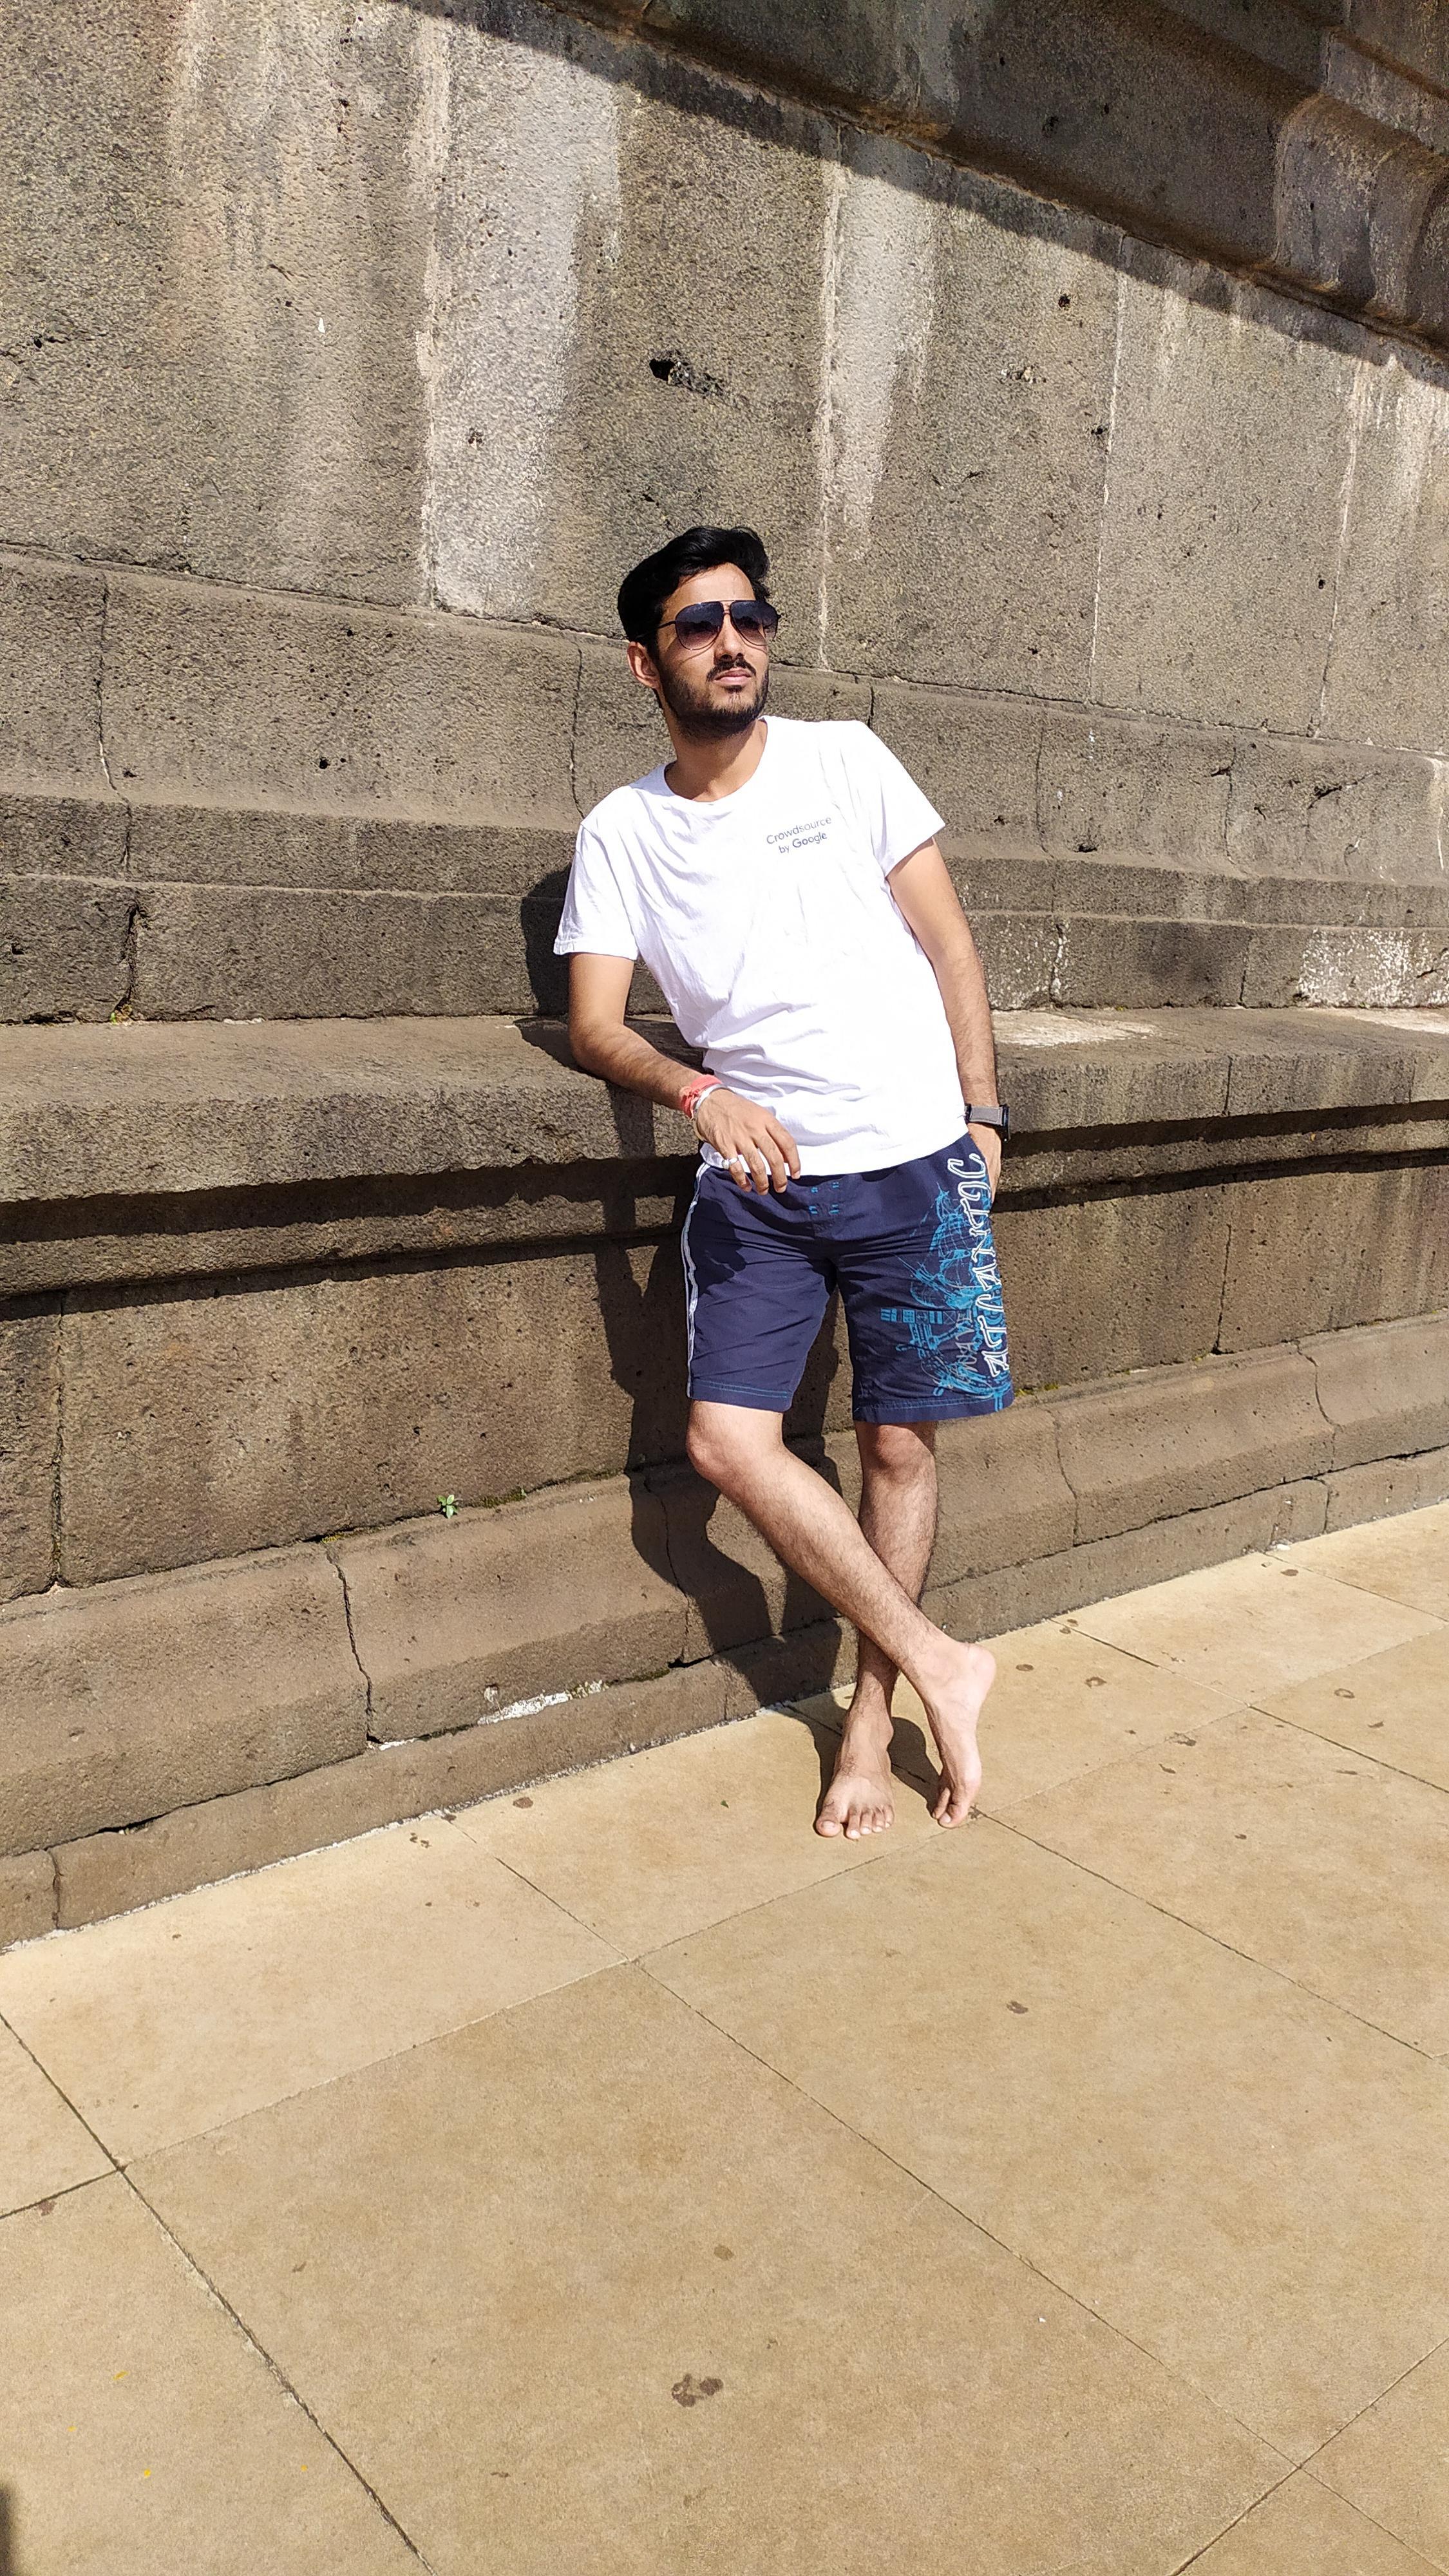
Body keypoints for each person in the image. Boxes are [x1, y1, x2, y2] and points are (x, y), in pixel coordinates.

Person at [556, 525, 1012, 1840]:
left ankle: (871, 1722)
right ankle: (941, 1660)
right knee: (725, 1443)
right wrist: (700, 1094)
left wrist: (983, 1110)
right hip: (760, 1179)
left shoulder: (846, 758)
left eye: (749, 617)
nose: (733, 641)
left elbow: (949, 942)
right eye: (700, 624)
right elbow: (596, 1025)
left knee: (898, 1445)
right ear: (645, 662)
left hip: (914, 1157)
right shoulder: (622, 831)